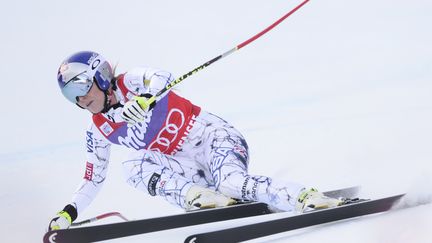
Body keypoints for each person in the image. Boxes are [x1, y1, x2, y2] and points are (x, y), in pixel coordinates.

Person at [48, 51, 341, 230]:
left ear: (100, 77)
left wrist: (146, 99)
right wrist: (69, 213)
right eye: (70, 95)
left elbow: (161, 76)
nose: (81, 99)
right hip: (187, 166)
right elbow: (92, 179)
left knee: (231, 182)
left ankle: (306, 196)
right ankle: (202, 198)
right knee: (132, 166)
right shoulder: (98, 129)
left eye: (82, 86)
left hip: (214, 138)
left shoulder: (130, 81)